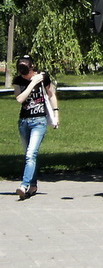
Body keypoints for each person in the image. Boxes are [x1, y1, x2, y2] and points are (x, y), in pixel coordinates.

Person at [11, 55, 59, 200]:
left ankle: (24, 185)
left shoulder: (43, 77)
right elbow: (20, 99)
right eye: (20, 65)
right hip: (24, 121)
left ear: (32, 66)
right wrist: (32, 84)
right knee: (29, 156)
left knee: (31, 154)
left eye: (25, 64)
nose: (23, 68)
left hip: (39, 121)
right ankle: (33, 186)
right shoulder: (18, 80)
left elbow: (51, 94)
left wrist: (56, 114)